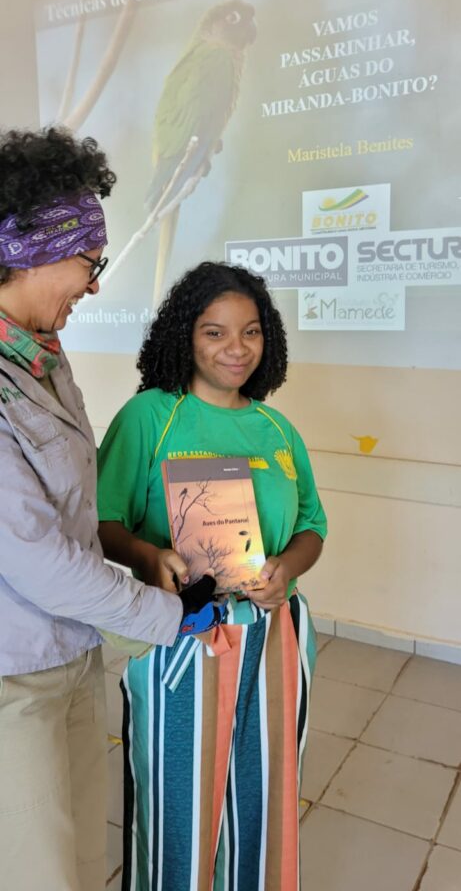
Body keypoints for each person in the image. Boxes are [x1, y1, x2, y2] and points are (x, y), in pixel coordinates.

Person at [0, 127, 216, 891]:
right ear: (32, 250)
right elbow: (32, 554)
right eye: (89, 264)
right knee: (39, 870)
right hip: (13, 675)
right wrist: (167, 616)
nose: (94, 286)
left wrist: (138, 555)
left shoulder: (39, 355)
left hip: (71, 652)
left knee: (85, 859)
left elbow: (66, 505)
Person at [97, 260, 327, 891]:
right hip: (182, 631)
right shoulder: (150, 416)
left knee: (265, 792)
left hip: (274, 633)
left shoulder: (277, 428)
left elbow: (312, 526)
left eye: (250, 332)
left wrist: (287, 568)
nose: (236, 348)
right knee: (181, 804)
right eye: (215, 332)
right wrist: (149, 557)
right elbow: (101, 520)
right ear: (185, 336)